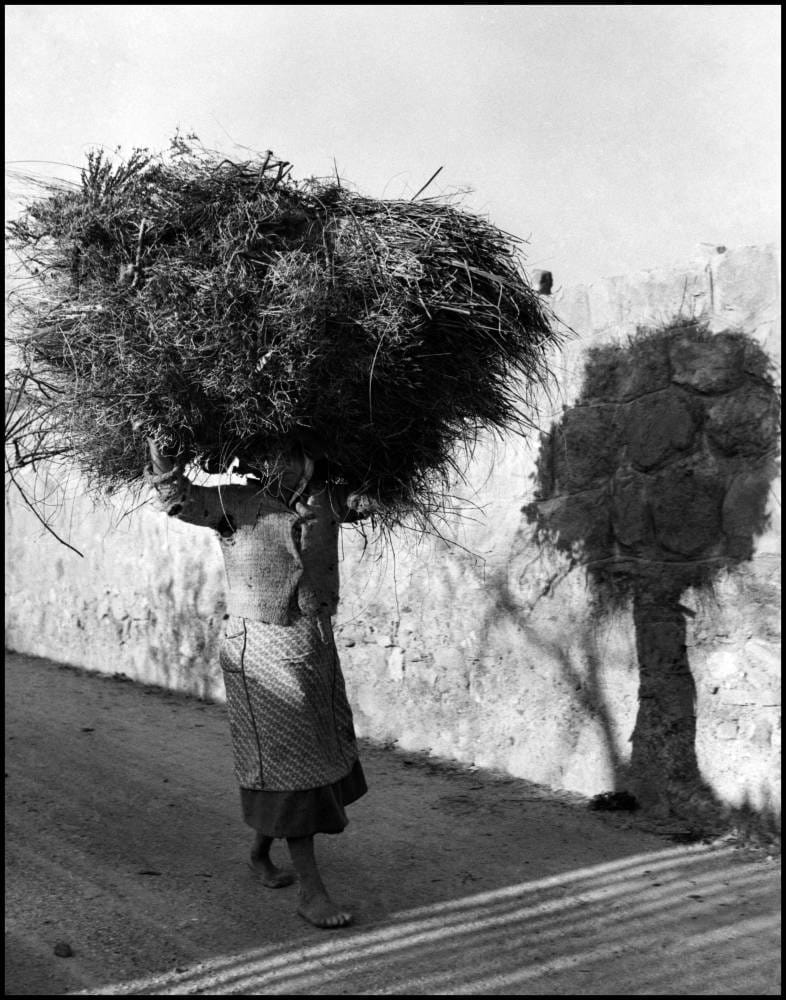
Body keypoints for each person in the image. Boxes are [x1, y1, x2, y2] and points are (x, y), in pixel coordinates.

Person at [146, 438, 369, 929]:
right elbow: (176, 498)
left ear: (307, 460)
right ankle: (313, 894)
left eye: (287, 455)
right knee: (291, 768)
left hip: (313, 643)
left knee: (309, 759)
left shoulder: (325, 500)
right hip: (259, 651)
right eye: (264, 456)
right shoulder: (232, 502)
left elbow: (369, 500)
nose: (273, 464)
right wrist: (163, 455)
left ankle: (259, 856)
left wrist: (382, 457)